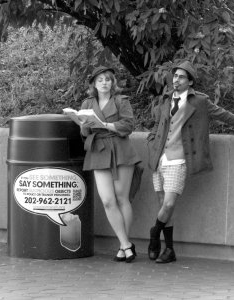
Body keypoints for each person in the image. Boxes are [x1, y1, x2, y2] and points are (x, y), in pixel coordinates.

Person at [147, 60, 234, 263]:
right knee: (163, 205)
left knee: (168, 204)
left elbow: (225, 115)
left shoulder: (200, 102)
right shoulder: (166, 100)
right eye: (175, 76)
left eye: (181, 77)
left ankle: (154, 234)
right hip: (160, 158)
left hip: (179, 160)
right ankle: (169, 250)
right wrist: (151, 143)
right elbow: (159, 126)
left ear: (190, 82)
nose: (176, 80)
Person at [80, 66, 141, 263]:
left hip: (120, 149)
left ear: (112, 82)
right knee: (107, 200)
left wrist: (107, 125)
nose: (104, 83)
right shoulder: (87, 103)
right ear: (94, 84)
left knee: (122, 198)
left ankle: (123, 246)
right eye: (100, 80)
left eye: (107, 79)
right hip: (98, 150)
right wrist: (84, 127)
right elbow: (84, 133)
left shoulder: (121, 101)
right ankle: (126, 244)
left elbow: (129, 125)